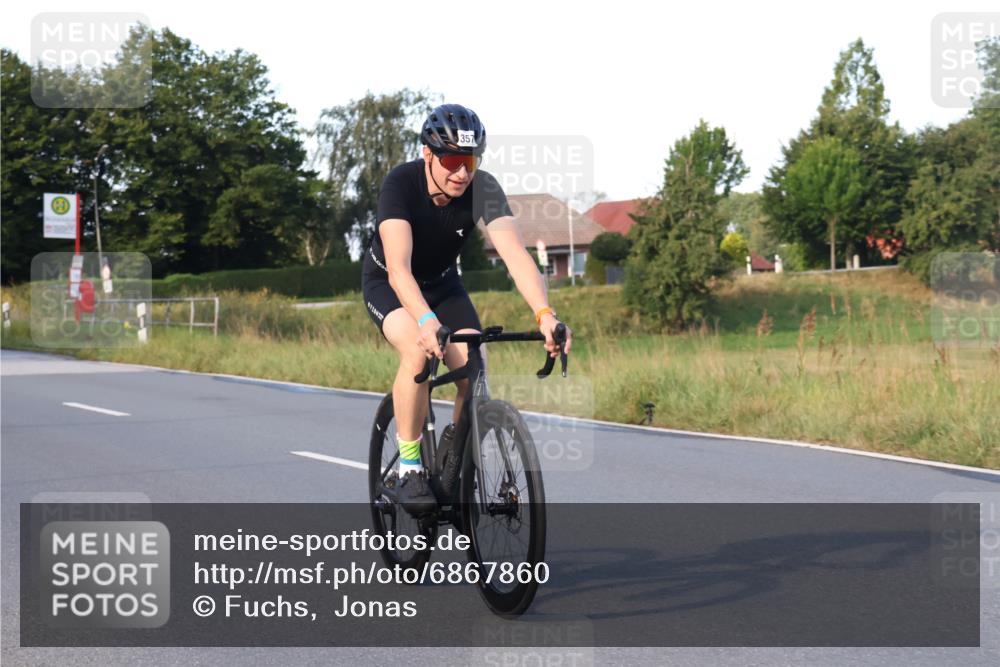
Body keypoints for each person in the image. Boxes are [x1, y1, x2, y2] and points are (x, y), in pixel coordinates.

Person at [362, 103, 572, 516]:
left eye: (471, 161)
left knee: (473, 365)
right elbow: (400, 271)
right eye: (453, 161)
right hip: (390, 283)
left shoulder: (483, 189)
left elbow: (515, 256)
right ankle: (408, 467)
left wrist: (545, 314)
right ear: (428, 155)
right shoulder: (400, 185)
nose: (463, 172)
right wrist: (425, 322)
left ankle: (455, 457)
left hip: (442, 284)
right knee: (419, 351)